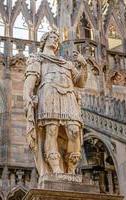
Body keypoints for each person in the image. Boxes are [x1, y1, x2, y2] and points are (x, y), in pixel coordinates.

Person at [23, 31, 87, 176]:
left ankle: (71, 170)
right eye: (52, 37)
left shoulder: (67, 64)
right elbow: (31, 78)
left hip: (69, 97)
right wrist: (27, 96)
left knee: (74, 131)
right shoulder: (37, 58)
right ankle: (56, 169)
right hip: (48, 94)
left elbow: (80, 82)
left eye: (57, 39)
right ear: (44, 41)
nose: (55, 40)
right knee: (51, 131)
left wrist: (83, 66)